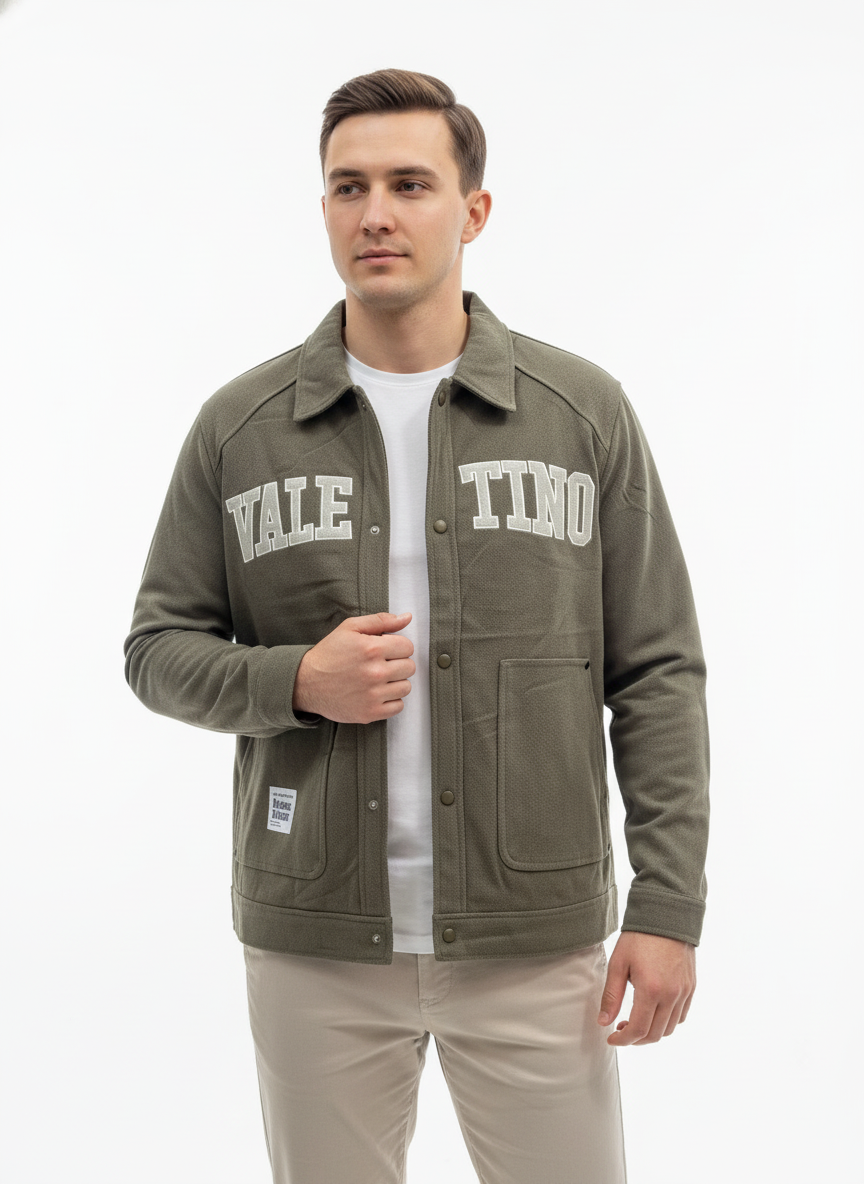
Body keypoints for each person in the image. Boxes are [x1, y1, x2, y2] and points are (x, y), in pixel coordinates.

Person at [124, 68, 709, 1184]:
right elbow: (156, 650)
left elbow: (658, 670)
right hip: (315, 947)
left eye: (409, 184)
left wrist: (668, 904)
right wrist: (297, 681)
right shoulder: (240, 428)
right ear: (323, 209)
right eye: (349, 187)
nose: (376, 214)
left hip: (533, 939)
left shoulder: (580, 414)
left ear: (472, 211)